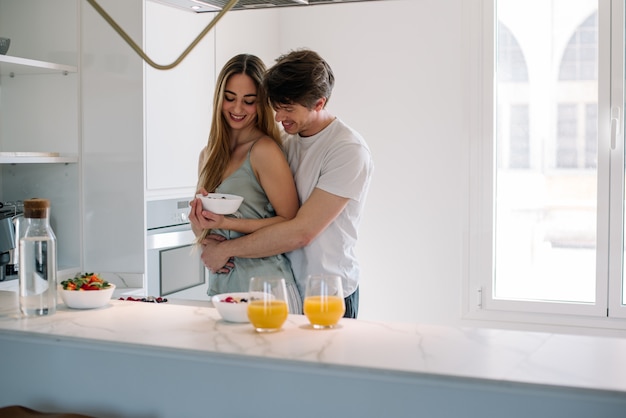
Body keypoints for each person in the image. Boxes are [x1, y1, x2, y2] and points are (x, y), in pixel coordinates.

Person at [193, 49, 373, 318]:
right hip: (284, 284)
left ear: (319, 103)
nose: (278, 117)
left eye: (288, 109)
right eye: (276, 107)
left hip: (327, 292)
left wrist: (225, 248)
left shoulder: (347, 150)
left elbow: (301, 231)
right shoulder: (288, 142)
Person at [189, 53, 302, 314]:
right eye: (229, 98)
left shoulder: (264, 151)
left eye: (249, 101)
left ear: (261, 103)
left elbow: (290, 221)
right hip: (223, 290)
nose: (237, 109)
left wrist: (226, 230)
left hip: (268, 292)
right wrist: (201, 231)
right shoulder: (208, 155)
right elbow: (205, 228)